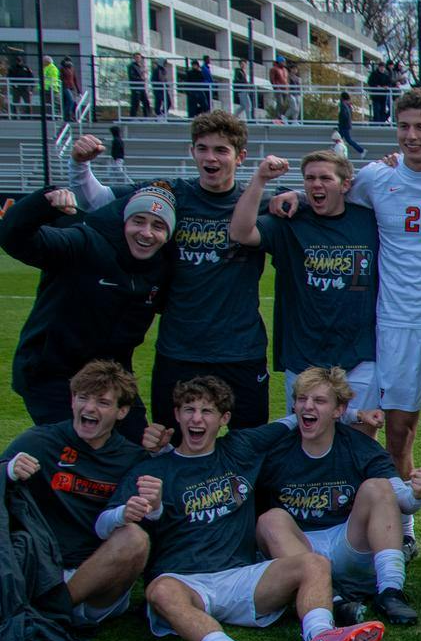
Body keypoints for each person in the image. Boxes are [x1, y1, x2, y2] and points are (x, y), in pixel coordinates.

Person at [104, 377, 384, 641]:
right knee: (159, 590)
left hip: (241, 577)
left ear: (223, 419)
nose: (197, 419)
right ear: (177, 415)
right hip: (184, 580)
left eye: (207, 411)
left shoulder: (240, 447)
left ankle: (320, 638)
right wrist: (133, 511)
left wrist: (352, 415)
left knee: (314, 563)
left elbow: (297, 418)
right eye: (189, 410)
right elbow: (103, 524)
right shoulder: (154, 468)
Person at [285, 88, 421, 482]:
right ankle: (405, 525)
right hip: (396, 324)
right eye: (403, 127)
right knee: (399, 433)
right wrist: (293, 195)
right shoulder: (376, 177)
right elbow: (330, 196)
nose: (411, 136)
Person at [71, 112, 273, 431]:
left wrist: (295, 196)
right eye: (202, 148)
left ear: (240, 156)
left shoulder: (257, 203)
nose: (211, 157)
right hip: (180, 346)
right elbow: (100, 200)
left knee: (248, 445)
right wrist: (81, 165)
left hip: (239, 349)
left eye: (221, 150)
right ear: (191, 151)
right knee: (169, 443)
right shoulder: (170, 194)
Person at [253, 367, 421, 627]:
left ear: (339, 410)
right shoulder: (276, 449)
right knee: (270, 520)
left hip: (347, 543)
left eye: (319, 401)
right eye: (302, 399)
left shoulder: (359, 446)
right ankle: (332, 602)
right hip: (299, 548)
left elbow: (403, 499)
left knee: (377, 487)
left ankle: (391, 591)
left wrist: (419, 493)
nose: (307, 407)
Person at [1, 180, 173, 439]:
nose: (146, 233)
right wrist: (42, 203)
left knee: (136, 450)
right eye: (138, 221)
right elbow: (14, 238)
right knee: (76, 453)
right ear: (124, 221)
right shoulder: (83, 244)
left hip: (112, 376)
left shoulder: (161, 269)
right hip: (53, 375)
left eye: (158, 226)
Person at [227, 150, 379, 418]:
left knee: (361, 437)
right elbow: (240, 232)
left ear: (345, 184)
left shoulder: (369, 220)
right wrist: (260, 180)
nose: (316, 184)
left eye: (325, 178)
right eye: (309, 178)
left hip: (360, 354)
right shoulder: (289, 222)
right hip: (304, 356)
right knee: (305, 437)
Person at [2, 360, 153, 628]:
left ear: (122, 412)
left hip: (97, 585)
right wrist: (8, 470)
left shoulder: (133, 459)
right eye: (83, 398)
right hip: (40, 570)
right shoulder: (39, 441)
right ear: (72, 401)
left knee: (135, 539)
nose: (90, 408)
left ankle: (48, 613)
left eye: (103, 402)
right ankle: (48, 613)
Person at [336, 90, 365, 160]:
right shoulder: (348, 106)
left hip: (344, 126)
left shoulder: (343, 105)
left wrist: (340, 124)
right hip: (345, 125)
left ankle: (361, 150)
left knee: (345, 139)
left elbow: (343, 116)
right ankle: (334, 152)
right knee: (339, 139)